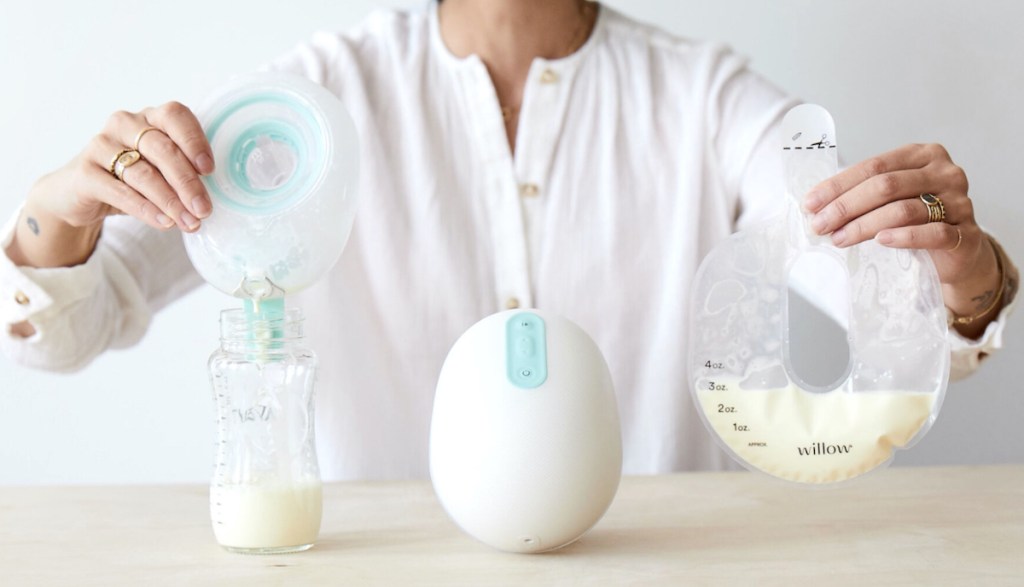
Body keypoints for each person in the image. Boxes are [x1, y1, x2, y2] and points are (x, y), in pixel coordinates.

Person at [0, 0, 1017, 480]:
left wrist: (967, 277)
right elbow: (74, 322)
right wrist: (61, 207)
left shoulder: (707, 99)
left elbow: (887, 301)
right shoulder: (306, 108)